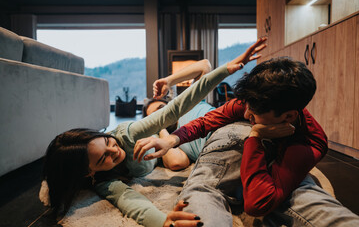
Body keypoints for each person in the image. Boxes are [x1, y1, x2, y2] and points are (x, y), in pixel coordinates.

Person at [40, 37, 268, 227]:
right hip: (196, 136)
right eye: (103, 159)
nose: (114, 150)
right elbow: (131, 201)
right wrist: (162, 222)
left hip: (205, 119)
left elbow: (189, 89)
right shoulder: (110, 177)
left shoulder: (128, 133)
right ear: (89, 173)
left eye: (107, 142)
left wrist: (170, 81)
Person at [134, 57, 359, 226]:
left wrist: (255, 136)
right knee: (301, 192)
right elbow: (183, 153)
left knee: (300, 193)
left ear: (289, 116)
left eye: (162, 111)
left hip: (246, 147)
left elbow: (258, 202)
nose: (245, 113)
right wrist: (167, 133)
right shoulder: (252, 101)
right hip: (231, 145)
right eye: (153, 115)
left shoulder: (311, 141)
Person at [142, 61, 215, 170]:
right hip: (218, 155)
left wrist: (169, 81)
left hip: (230, 126)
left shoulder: (188, 103)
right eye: (154, 116)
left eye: (161, 108)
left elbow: (205, 66)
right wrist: (160, 128)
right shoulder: (174, 142)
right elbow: (176, 162)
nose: (160, 115)